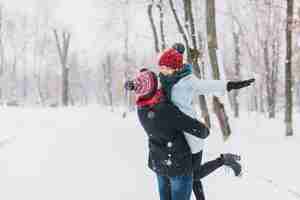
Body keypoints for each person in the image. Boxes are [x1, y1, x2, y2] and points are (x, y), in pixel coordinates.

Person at [158, 44, 255, 200]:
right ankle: (223, 161)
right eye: (161, 68)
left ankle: (223, 160)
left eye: (165, 68)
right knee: (190, 175)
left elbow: (208, 85)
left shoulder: (187, 81)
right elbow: (148, 84)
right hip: (176, 136)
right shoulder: (165, 79)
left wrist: (230, 85)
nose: (161, 71)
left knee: (193, 175)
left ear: (175, 68)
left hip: (191, 136)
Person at [125, 69, 210, 200]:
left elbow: (152, 91)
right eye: (156, 83)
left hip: (159, 164)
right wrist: (205, 129)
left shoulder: (142, 108)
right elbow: (198, 130)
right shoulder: (165, 110)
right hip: (178, 167)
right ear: (152, 89)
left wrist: (136, 83)